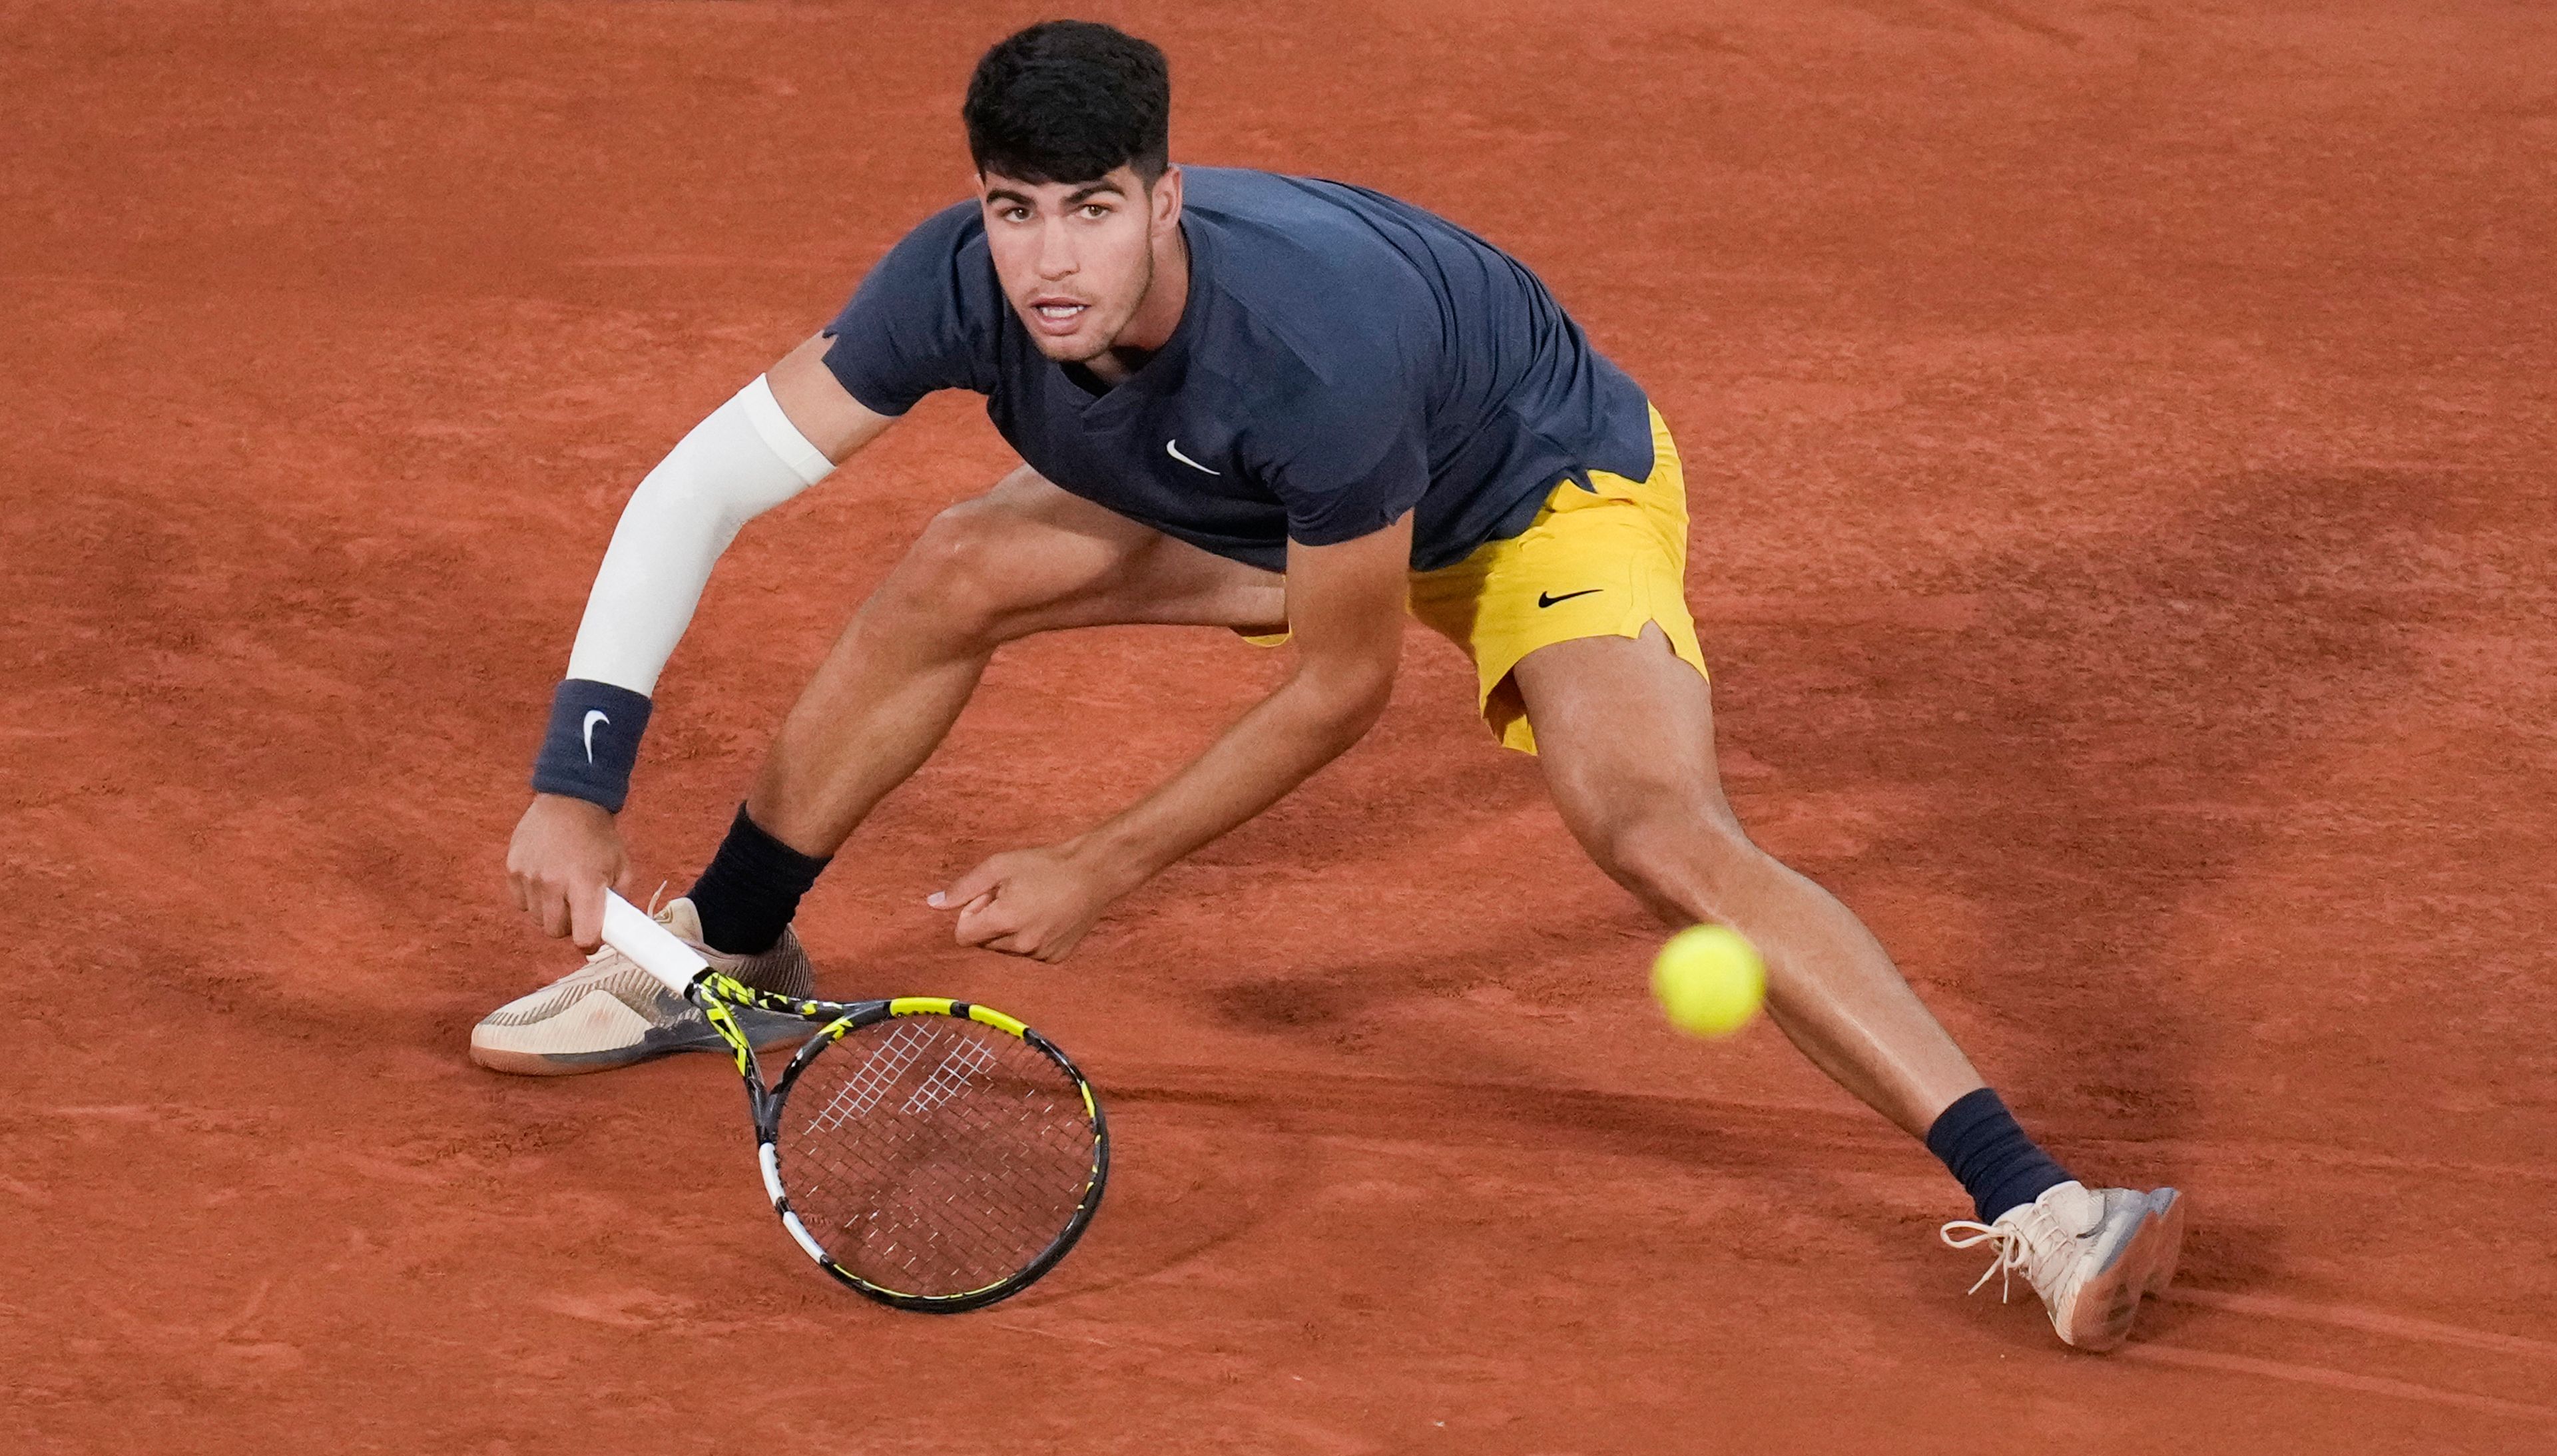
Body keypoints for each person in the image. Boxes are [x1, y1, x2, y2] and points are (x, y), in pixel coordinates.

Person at [475, 20, 2185, 1349]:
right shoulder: (956, 284)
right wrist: (580, 774)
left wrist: (1103, 859)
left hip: (1522, 492)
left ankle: (2043, 1207)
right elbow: (700, 484)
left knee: (1652, 826)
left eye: (1092, 210)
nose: (1050, 261)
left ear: (1164, 195)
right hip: (1265, 493)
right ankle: (737, 943)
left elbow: (1337, 685)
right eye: (1015, 212)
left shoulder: (1312, 343)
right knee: (957, 566)